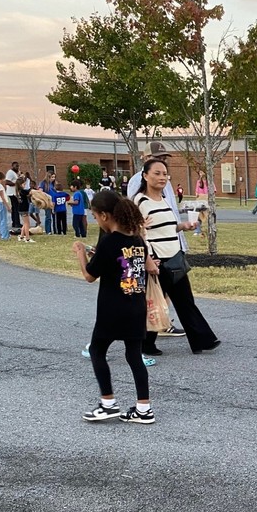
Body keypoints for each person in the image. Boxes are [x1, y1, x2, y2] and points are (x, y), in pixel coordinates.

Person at [74, 190, 158, 425]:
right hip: (136, 306)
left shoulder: (109, 242)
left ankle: (107, 403)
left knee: (97, 351)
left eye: (94, 215)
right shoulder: (137, 240)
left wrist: (81, 253)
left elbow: (90, 275)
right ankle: (144, 408)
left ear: (104, 215)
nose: (95, 220)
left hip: (113, 309)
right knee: (133, 356)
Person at [134, 157, 219, 356]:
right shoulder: (140, 201)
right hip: (157, 261)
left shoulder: (163, 199)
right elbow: (137, 232)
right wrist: (148, 260)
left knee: (185, 301)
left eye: (165, 174)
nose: (162, 177)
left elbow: (168, 227)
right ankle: (144, 343)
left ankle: (202, 340)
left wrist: (183, 226)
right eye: (157, 173)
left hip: (174, 257)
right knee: (155, 303)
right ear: (145, 176)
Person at [5, 161, 21, 233]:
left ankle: (15, 222)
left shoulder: (15, 173)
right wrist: (15, 183)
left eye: (18, 166)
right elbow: (7, 182)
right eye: (15, 166)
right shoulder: (10, 172)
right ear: (12, 166)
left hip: (15, 192)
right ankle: (16, 223)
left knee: (15, 208)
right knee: (16, 208)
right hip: (12, 193)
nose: (17, 167)